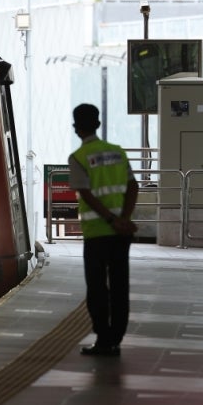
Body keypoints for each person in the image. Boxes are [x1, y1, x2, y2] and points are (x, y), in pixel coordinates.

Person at [68, 103, 139, 357]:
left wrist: (110, 219)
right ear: (98, 125)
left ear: (77, 128)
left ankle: (103, 338)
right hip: (121, 233)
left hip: (97, 233)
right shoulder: (117, 152)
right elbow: (133, 186)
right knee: (120, 286)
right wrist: (124, 219)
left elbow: (86, 195)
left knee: (97, 288)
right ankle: (115, 339)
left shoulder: (78, 158)